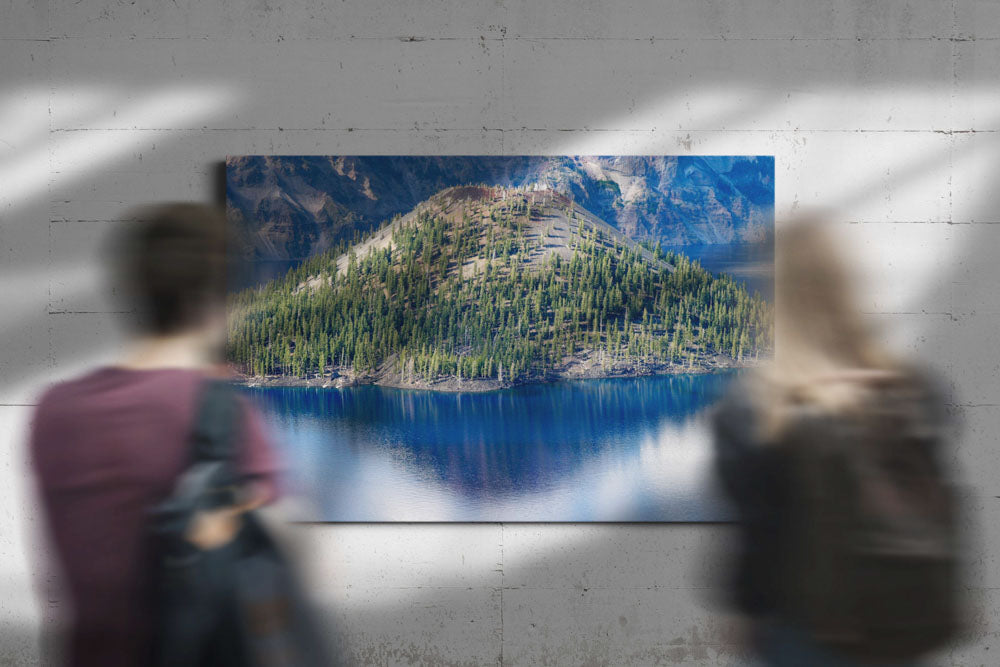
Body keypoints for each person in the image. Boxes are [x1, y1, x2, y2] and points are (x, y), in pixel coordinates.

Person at [30, 204, 280, 666]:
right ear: (220, 297)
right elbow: (270, 586)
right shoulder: (224, 415)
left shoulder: (53, 411)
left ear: (133, 289)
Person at [712, 218, 962, 666]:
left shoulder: (757, 405)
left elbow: (757, 536)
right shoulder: (916, 389)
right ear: (848, 283)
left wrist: (746, 611)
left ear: (774, 295)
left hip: (805, 630)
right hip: (902, 621)